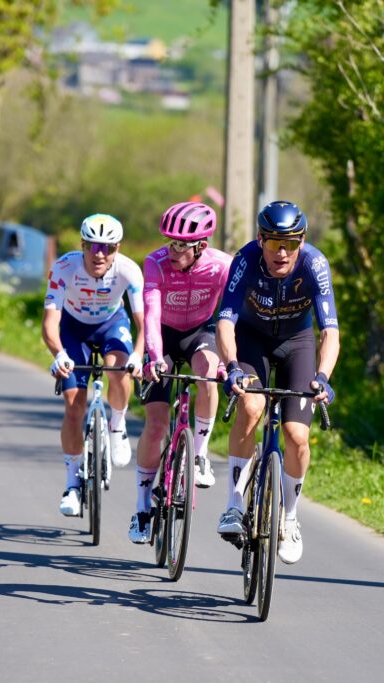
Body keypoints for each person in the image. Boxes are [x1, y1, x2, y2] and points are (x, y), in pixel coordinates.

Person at [216, 200, 339, 565]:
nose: (281, 252)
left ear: (301, 241)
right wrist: (233, 366)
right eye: (272, 243)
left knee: (297, 435)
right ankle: (234, 506)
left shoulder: (314, 264)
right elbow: (225, 320)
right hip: (252, 340)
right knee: (251, 406)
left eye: (290, 243)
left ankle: (289, 518)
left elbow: (329, 332)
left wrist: (323, 378)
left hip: (296, 344)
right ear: (260, 239)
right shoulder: (245, 260)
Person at [128, 202, 232, 544]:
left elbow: (234, 317)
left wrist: (230, 363)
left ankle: (199, 454)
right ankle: (143, 507)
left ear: (201, 245)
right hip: (164, 335)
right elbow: (151, 313)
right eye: (169, 242)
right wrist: (155, 357)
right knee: (156, 423)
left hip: (200, 332)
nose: (172, 250)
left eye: (181, 244)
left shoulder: (222, 266)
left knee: (207, 370)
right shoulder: (155, 262)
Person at [42, 214, 144, 517]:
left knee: (118, 368)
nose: (100, 254)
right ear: (83, 245)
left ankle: (117, 424)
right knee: (74, 406)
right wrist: (59, 354)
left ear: (117, 248)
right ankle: (72, 484)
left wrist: (139, 355)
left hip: (112, 324)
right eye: (93, 246)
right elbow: (50, 324)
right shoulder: (63, 268)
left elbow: (144, 325)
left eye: (108, 248)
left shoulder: (128, 270)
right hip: (74, 329)